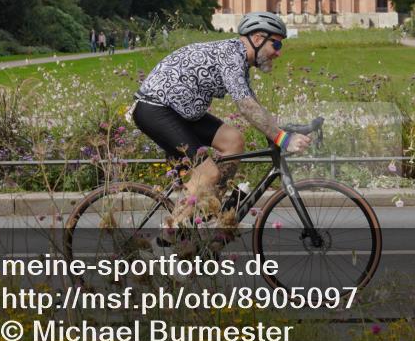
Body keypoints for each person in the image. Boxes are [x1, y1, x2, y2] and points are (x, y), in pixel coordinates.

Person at [130, 12, 311, 227]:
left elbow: (254, 105)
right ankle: (169, 233)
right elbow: (246, 106)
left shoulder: (239, 60)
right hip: (156, 109)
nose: (278, 53)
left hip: (179, 112)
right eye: (276, 45)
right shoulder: (231, 56)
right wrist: (283, 138)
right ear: (257, 39)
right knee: (207, 173)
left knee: (233, 140)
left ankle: (210, 211)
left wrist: (278, 130)